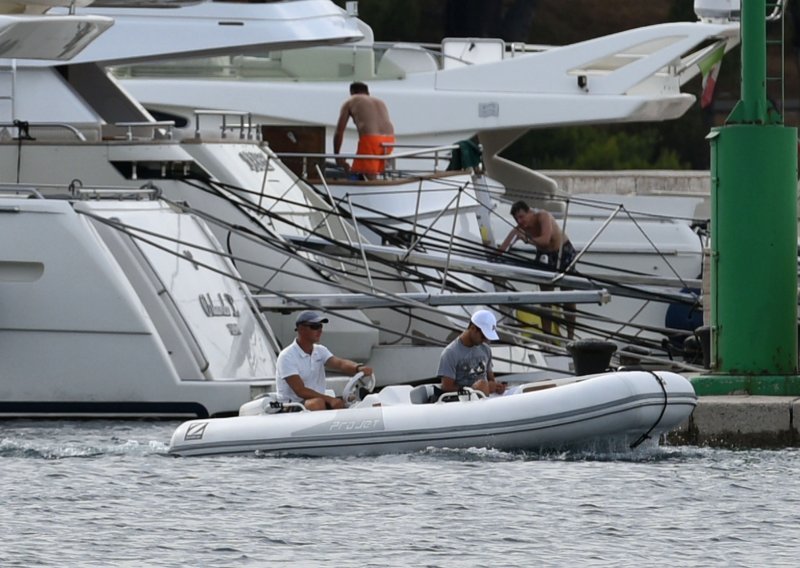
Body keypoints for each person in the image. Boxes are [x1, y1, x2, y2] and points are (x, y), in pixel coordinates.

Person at [497, 200, 577, 340]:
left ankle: (570, 337)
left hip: (562, 253)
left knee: (567, 298)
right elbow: (503, 248)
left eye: (522, 217)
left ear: (530, 212)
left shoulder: (542, 216)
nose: (520, 221)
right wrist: (493, 254)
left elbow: (545, 240)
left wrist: (528, 239)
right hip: (545, 256)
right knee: (545, 300)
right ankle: (548, 338)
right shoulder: (520, 228)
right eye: (517, 219)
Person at [276, 310, 373, 411]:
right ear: (300, 329)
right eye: (314, 326)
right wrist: (330, 400)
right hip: (290, 406)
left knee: (352, 399)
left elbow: (340, 364)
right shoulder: (286, 356)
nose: (319, 330)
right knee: (317, 403)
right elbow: (300, 390)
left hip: (317, 401)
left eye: (320, 326)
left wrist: (358, 368)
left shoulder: (320, 350)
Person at [333, 81, 395, 180]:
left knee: (368, 177)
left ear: (352, 92)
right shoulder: (379, 101)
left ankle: (371, 192)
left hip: (371, 140)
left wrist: (337, 156)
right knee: (371, 172)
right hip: (389, 140)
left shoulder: (351, 101)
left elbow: (339, 132)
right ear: (368, 92)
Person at [437, 310, 506, 397]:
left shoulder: (486, 349)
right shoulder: (450, 353)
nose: (485, 340)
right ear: (473, 328)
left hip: (485, 398)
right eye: (483, 336)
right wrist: (473, 390)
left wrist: (498, 387)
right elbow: (446, 387)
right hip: (463, 402)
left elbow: (491, 379)